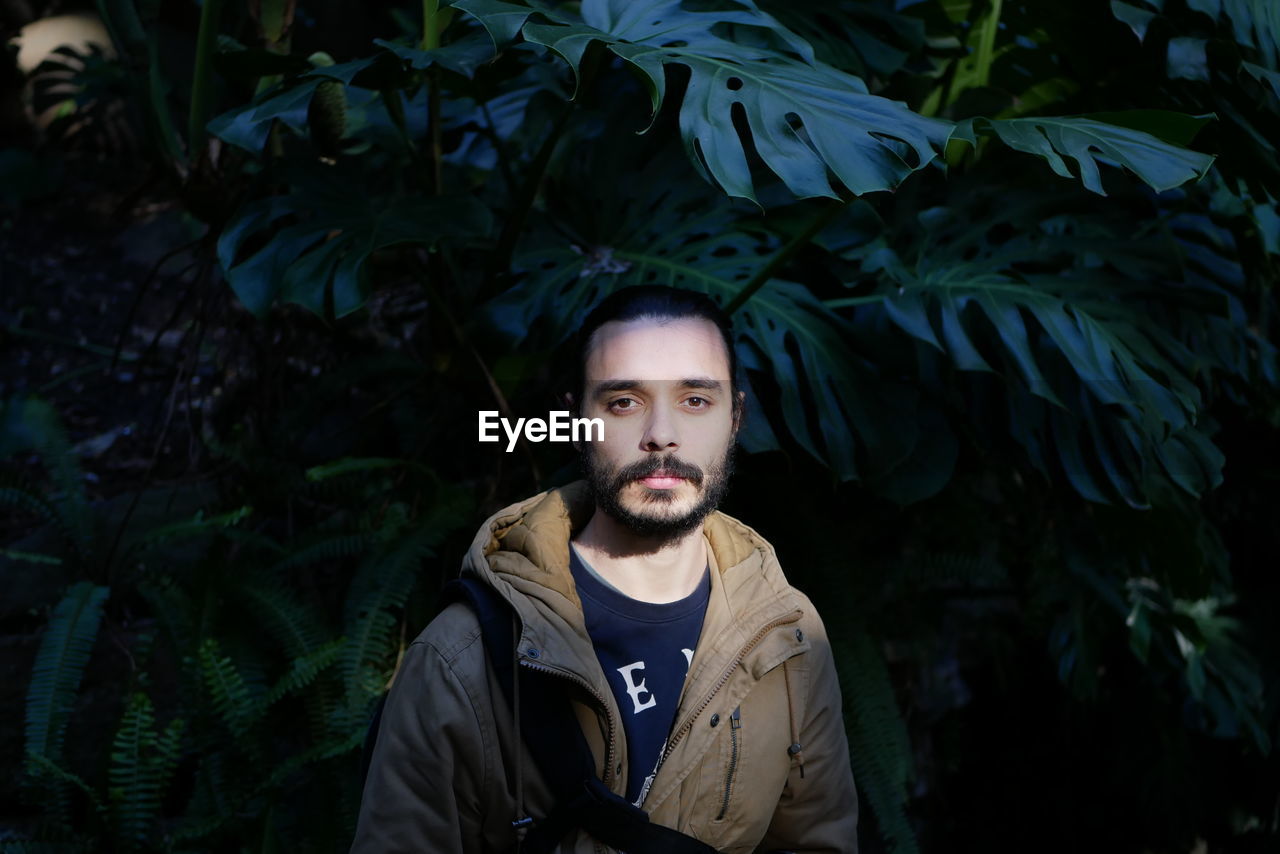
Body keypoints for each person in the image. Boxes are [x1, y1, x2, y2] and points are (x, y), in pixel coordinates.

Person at [350, 286, 859, 853]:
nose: (661, 434)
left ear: (735, 417)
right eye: (624, 402)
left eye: (695, 400)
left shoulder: (788, 635)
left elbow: (818, 839)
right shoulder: (458, 658)